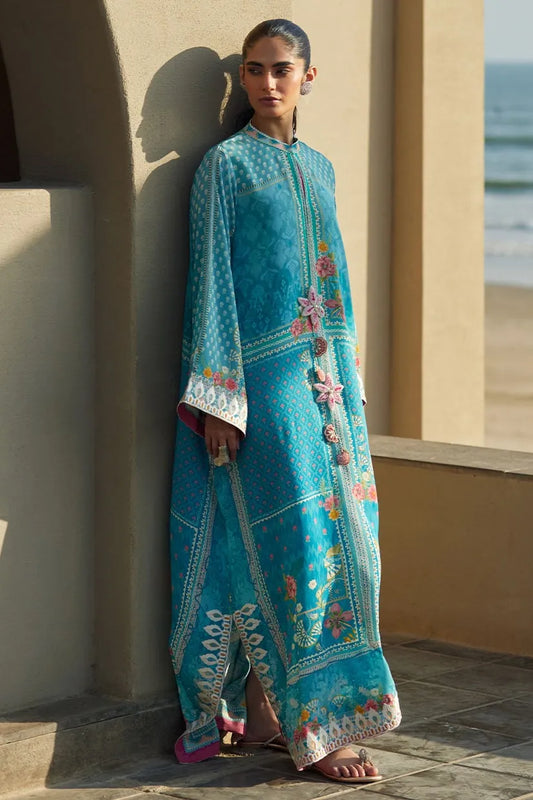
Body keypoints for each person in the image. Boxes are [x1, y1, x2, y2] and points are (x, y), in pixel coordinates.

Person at [169, 18, 401, 784]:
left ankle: (273, 718)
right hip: (261, 394)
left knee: (348, 548)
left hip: (329, 396)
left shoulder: (325, 169)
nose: (267, 82)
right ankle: (320, 732)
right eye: (254, 69)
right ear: (241, 78)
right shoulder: (223, 168)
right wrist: (218, 399)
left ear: (308, 76)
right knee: (295, 548)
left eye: (281, 68)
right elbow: (210, 284)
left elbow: (334, 289)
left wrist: (349, 384)